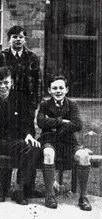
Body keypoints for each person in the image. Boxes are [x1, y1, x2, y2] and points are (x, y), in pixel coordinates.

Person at [0, 67, 41, 205]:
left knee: (34, 148)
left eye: (6, 82)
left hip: (15, 142)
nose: (3, 86)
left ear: (11, 82)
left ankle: (19, 188)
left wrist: (29, 134)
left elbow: (28, 122)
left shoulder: (20, 98)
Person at [0, 25, 42, 198]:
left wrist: (35, 106)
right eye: (14, 37)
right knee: (6, 138)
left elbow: (38, 82)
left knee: (29, 141)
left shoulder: (32, 57)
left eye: (21, 36)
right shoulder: (2, 56)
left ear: (25, 39)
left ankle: (26, 187)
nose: (18, 39)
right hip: (6, 99)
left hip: (26, 105)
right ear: (9, 39)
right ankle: (4, 186)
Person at [37, 75, 92, 211]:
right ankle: (50, 195)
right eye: (54, 88)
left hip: (68, 142)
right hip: (49, 140)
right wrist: (62, 121)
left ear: (66, 89)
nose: (58, 91)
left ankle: (83, 197)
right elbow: (41, 122)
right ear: (49, 90)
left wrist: (53, 122)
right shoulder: (44, 104)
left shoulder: (72, 105)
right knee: (48, 153)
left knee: (84, 156)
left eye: (61, 87)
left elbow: (78, 125)